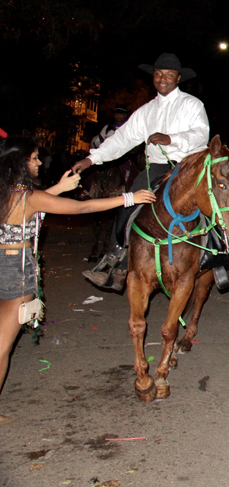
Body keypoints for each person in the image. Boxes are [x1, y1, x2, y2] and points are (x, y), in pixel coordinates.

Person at [71, 53, 229, 290]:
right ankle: (116, 266)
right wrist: (91, 159)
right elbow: (122, 139)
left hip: (188, 166)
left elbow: (200, 135)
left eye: (169, 75)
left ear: (178, 78)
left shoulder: (192, 104)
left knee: (223, 199)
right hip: (156, 167)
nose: (162, 79)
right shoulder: (145, 111)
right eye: (158, 74)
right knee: (128, 206)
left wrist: (172, 139)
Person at [0, 137, 156, 426]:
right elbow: (81, 209)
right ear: (19, 163)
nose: (38, 162)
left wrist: (59, 188)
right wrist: (129, 198)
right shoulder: (27, 196)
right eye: (33, 158)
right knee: (1, 347)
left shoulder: (7, 193)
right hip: (14, 272)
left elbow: (30, 209)